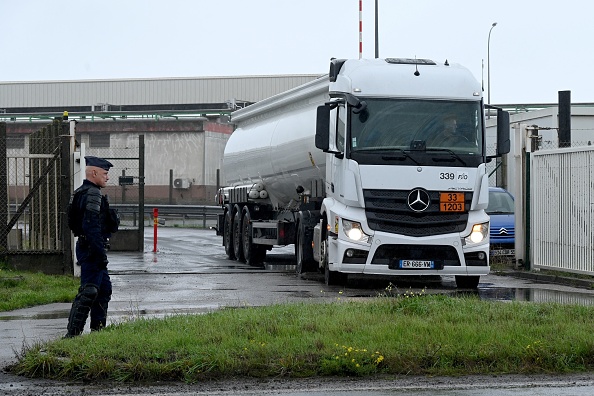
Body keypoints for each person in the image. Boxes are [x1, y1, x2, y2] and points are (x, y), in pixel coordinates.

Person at [65, 156, 119, 338]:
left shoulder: (80, 192)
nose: (107, 177)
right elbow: (91, 227)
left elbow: (73, 223)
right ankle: (72, 335)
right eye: (105, 174)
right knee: (89, 291)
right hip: (92, 248)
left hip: (88, 246)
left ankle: (98, 333)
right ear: (93, 173)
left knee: (104, 290)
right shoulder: (93, 193)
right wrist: (99, 253)